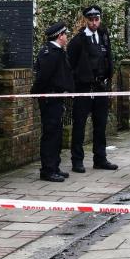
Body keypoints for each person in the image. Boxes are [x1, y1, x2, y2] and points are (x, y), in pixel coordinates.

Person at [67, 4, 118, 173]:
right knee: (79, 126)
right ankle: (77, 161)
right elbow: (70, 66)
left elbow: (108, 58)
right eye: (91, 19)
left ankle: (100, 159)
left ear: (99, 19)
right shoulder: (77, 41)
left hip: (100, 87)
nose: (94, 22)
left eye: (97, 19)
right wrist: (76, 87)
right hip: (84, 88)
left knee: (100, 125)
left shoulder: (104, 36)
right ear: (86, 20)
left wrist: (108, 78)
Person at [32, 22, 74, 182]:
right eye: (65, 35)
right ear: (59, 36)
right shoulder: (51, 53)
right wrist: (39, 94)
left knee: (56, 133)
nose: (66, 37)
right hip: (50, 99)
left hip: (56, 98)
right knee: (50, 134)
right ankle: (48, 170)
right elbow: (43, 78)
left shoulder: (55, 51)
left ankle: (54, 166)